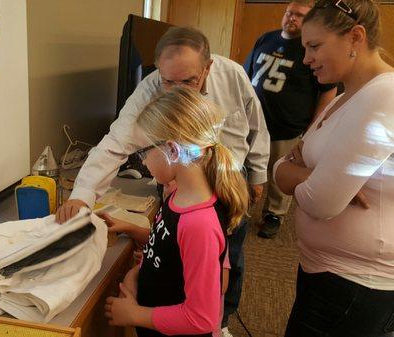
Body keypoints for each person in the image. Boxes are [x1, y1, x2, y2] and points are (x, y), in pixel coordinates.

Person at [56, 27, 270, 336]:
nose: (177, 90)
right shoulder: (173, 196)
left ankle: (223, 323)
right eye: (167, 81)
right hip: (183, 177)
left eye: (188, 81)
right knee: (201, 259)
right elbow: (117, 142)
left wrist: (259, 173)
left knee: (225, 258)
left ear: (208, 68)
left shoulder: (233, 75)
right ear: (157, 70)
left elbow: (256, 124)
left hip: (226, 178)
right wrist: (83, 195)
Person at [273, 1, 394, 336]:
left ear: (356, 37)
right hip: (327, 273)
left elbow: (320, 201)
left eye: (314, 46)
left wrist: (304, 174)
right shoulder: (344, 98)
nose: (306, 59)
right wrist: (311, 175)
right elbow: (282, 167)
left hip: (355, 285)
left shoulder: (383, 96)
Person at [103, 86, 249, 337]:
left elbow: (201, 318)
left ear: (172, 150)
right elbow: (170, 245)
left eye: (143, 152)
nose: (144, 162)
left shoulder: (199, 224)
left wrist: (134, 315)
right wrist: (136, 272)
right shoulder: (177, 197)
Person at [244, 0, 337, 239]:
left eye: (299, 15)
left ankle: (274, 214)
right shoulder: (266, 39)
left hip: (287, 126)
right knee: (246, 168)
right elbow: (246, 77)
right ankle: (239, 205)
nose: (291, 18)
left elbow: (328, 89)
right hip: (254, 123)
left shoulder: (310, 48)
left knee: (278, 174)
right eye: (289, 13)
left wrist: (314, 126)